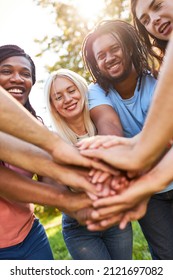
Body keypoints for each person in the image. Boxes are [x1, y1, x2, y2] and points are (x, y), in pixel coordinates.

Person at [80, 20, 173, 259]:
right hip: (147, 191)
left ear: (129, 47)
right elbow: (109, 127)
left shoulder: (158, 76)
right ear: (96, 64)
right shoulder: (97, 92)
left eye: (115, 48)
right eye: (101, 55)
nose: (109, 57)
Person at [0, 45, 96, 260]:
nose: (17, 78)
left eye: (25, 74)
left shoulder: (36, 127)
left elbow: (49, 178)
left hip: (31, 237)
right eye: (6, 71)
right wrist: (68, 200)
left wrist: (88, 195)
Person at [43, 68, 132, 260]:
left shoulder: (104, 123)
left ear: (82, 90)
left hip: (116, 218)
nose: (67, 99)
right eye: (58, 97)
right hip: (80, 227)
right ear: (53, 105)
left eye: (71, 90)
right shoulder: (54, 139)